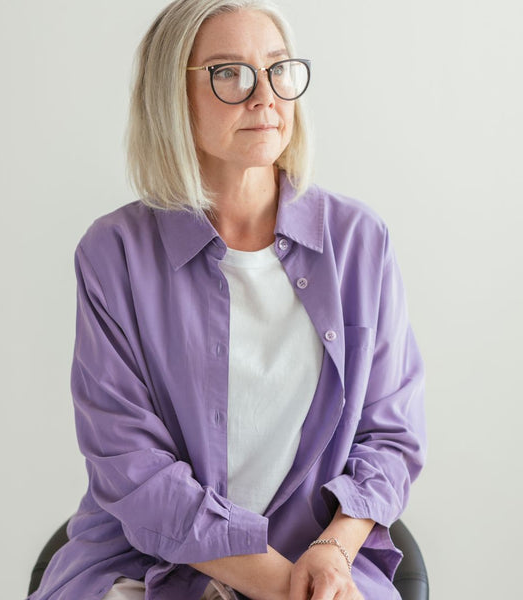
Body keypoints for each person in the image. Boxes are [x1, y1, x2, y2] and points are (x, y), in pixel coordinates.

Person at [27, 1, 426, 599]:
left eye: (278, 69)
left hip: (319, 560)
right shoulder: (114, 254)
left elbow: (389, 438)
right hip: (146, 563)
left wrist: (331, 553)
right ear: (172, 98)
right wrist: (276, 585)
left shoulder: (360, 242)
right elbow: (131, 467)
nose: (264, 95)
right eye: (229, 73)